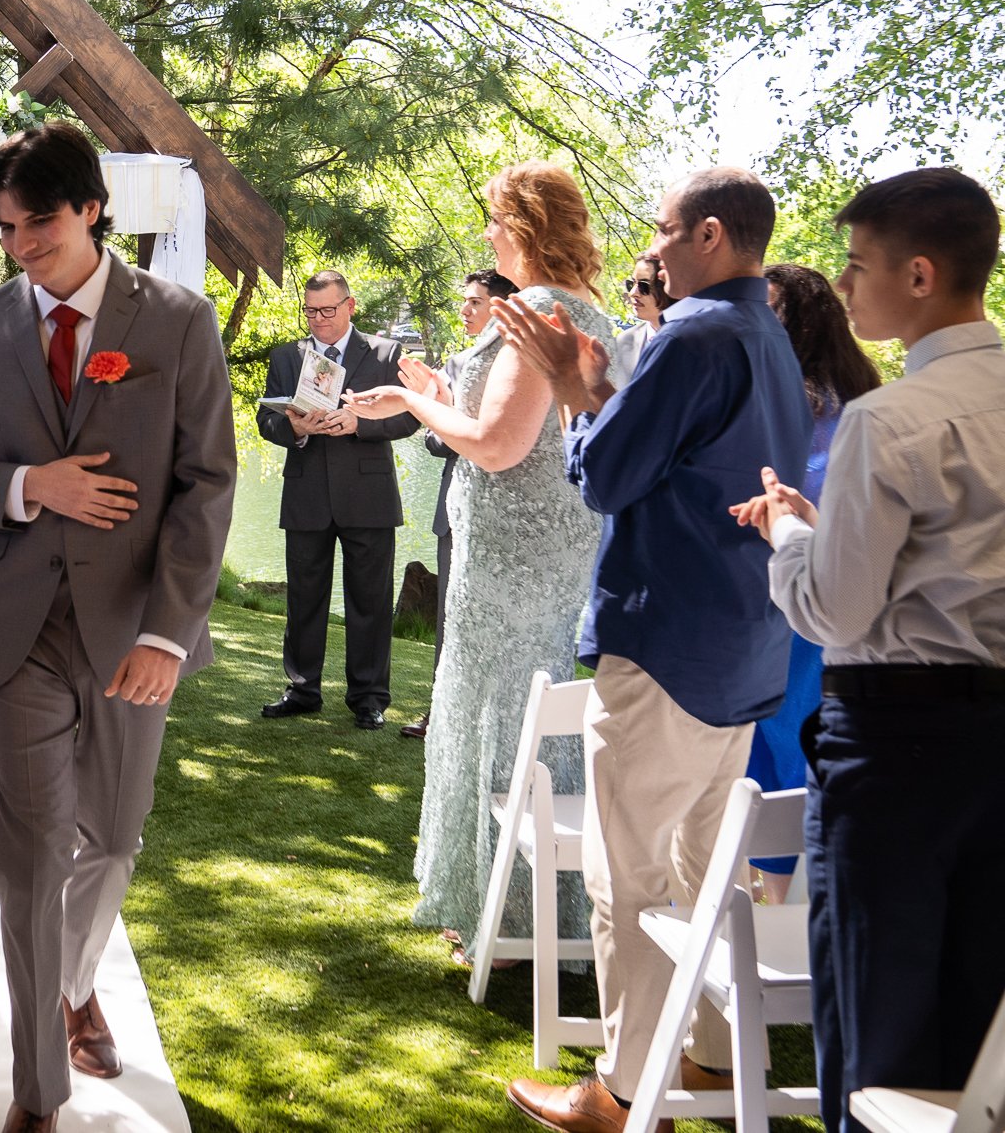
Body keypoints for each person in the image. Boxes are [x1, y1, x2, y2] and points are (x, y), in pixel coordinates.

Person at [0, 122, 237, 1133]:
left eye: (40, 222)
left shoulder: (178, 321)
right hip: (19, 633)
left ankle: (70, 984)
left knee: (110, 839)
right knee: (28, 859)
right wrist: (27, 484)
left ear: (92, 209)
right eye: (6, 228)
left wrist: (167, 633)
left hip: (132, 632)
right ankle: (37, 1091)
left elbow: (205, 486)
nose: (21, 245)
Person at [498, 167, 812, 1133]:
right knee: (702, 870)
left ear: (710, 235)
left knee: (625, 874)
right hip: (743, 642)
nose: (656, 247)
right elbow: (680, 461)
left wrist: (571, 391)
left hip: (668, 636)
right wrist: (600, 385)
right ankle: (711, 1062)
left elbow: (604, 476)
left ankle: (626, 1091)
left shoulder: (691, 336)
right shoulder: (769, 337)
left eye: (666, 229)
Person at [733, 168, 1004, 1133]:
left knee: (875, 1033)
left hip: (896, 746)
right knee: (981, 1037)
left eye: (856, 265)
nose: (844, 286)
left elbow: (834, 611)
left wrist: (786, 536)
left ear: (919, 275)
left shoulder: (887, 418)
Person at [345, 164, 612, 960]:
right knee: (534, 705)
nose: (489, 234)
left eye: (496, 220)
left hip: (511, 557)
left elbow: (497, 447)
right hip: (549, 545)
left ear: (526, 225)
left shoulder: (538, 308)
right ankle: (535, 910)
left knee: (500, 711)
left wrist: (412, 402)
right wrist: (445, 392)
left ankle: (505, 915)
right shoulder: (586, 309)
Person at [743, 262, 879, 899]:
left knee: (774, 756)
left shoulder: (793, 407)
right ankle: (792, 903)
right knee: (799, 752)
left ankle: (776, 903)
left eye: (766, 310)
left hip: (784, 604)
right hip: (831, 611)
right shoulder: (864, 403)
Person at [256, 270, 419, 728]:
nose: (319, 320)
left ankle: (369, 699)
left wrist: (360, 424)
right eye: (311, 311)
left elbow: (411, 418)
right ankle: (302, 689)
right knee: (304, 599)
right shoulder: (287, 356)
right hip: (306, 493)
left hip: (369, 496)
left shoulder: (386, 354)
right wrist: (294, 428)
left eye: (328, 310)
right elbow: (265, 421)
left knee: (370, 602)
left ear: (350, 306)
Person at [408, 266, 519, 740]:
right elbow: (436, 442)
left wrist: (456, 419)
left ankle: (498, 720)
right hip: (455, 513)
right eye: (465, 301)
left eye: (475, 301)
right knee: (449, 619)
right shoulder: (455, 364)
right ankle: (440, 713)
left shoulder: (520, 363)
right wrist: (438, 410)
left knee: (501, 623)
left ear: (501, 306)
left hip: (508, 514)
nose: (465, 310)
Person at [614, 251, 673, 375]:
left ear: (667, 286)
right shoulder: (624, 342)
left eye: (643, 286)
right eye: (631, 284)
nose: (633, 293)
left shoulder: (695, 341)